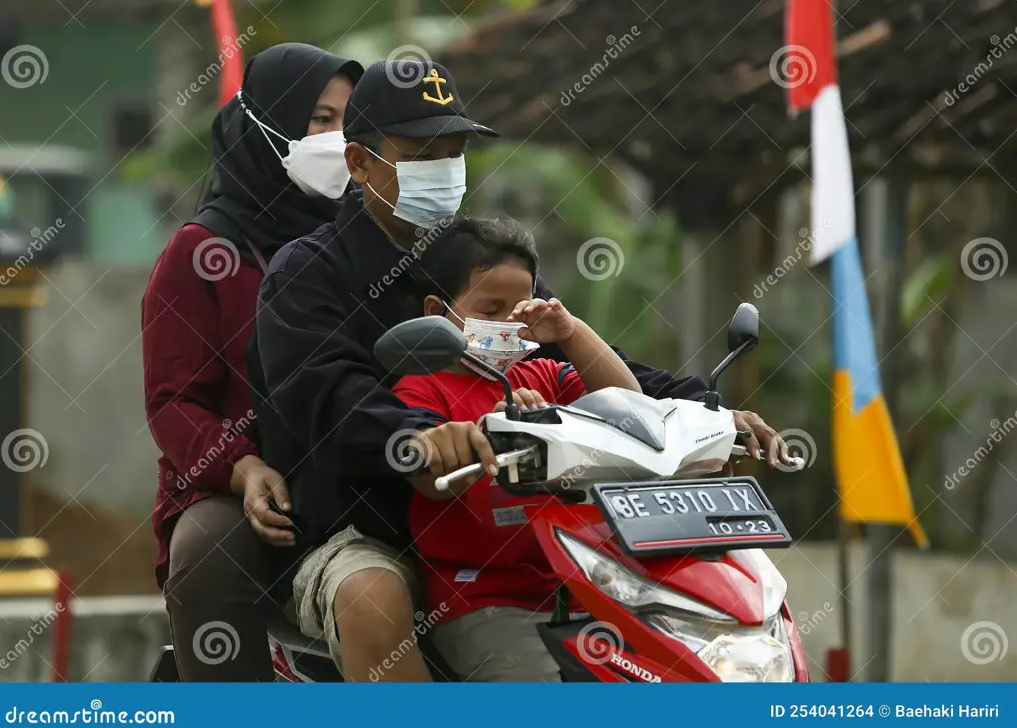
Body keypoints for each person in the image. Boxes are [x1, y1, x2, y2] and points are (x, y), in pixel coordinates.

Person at [252, 57, 791, 683]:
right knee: (373, 596)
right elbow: (330, 397)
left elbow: (572, 357)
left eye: (453, 153)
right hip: (363, 527)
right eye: (422, 152)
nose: (444, 170)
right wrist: (423, 435)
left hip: (516, 530)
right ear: (359, 163)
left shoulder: (479, 259)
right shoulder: (306, 273)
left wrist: (702, 408)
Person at [142, 42, 363, 682]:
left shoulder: (369, 239)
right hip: (244, 482)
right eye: (319, 120)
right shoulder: (205, 251)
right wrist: (240, 467)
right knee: (208, 555)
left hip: (365, 459)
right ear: (266, 125)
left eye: (350, 123)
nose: (337, 139)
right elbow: (172, 401)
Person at [393, 215, 642, 681]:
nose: (508, 323)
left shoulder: (542, 375)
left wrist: (571, 332)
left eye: (520, 308)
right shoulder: (421, 391)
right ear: (436, 311)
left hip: (583, 587)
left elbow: (628, 407)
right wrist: (490, 430)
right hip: (483, 597)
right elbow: (426, 472)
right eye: (490, 309)